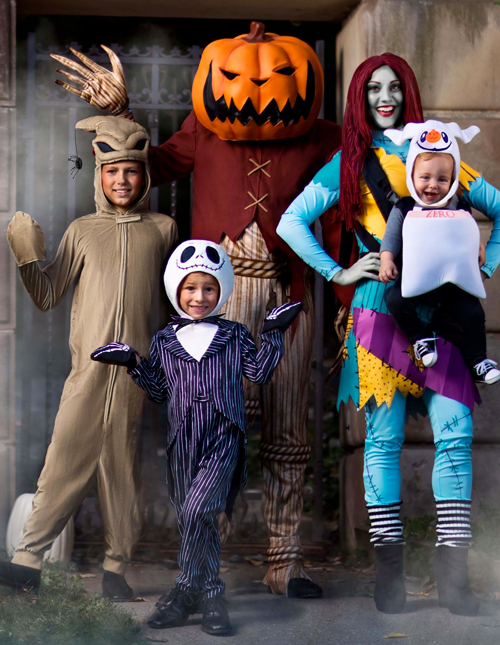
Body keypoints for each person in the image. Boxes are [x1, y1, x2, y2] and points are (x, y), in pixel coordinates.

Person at [51, 26, 343, 597]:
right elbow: (146, 167)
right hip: (215, 304)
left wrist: (347, 300)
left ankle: (284, 560)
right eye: (235, 77)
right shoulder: (203, 130)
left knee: (287, 433)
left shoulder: (323, 139)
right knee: (214, 428)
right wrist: (123, 114)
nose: (256, 88)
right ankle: (206, 560)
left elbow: (354, 195)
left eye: (279, 77)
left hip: (289, 298)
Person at [277, 54, 500, 616]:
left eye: (394, 87)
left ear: (408, 93)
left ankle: (453, 581)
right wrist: (340, 271)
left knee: (455, 432)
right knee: (382, 442)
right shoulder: (347, 163)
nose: (385, 97)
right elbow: (290, 221)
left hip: (447, 314)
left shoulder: (436, 148)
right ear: (359, 96)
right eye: (373, 88)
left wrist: (486, 266)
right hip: (379, 313)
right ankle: (390, 581)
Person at [0, 115, 178, 600]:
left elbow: (175, 301)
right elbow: (46, 294)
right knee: (63, 459)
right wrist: (26, 257)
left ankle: (117, 568)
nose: (122, 180)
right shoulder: (81, 231)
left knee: (122, 467)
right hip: (88, 372)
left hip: (136, 373)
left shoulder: (163, 229)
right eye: (112, 171)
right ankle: (27, 560)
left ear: (144, 176)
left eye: (132, 171)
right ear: (99, 176)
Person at [91, 239, 302, 635]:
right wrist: (132, 362)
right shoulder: (164, 341)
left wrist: (273, 332)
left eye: (208, 288)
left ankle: (194, 589)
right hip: (182, 440)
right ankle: (205, 596)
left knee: (197, 510)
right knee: (194, 518)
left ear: (222, 288)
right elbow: (157, 390)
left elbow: (257, 372)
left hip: (223, 434)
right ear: (176, 288)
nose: (199, 297)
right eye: (190, 288)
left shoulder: (235, 334)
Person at [379, 119, 500, 384]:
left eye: (442, 179)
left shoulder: (460, 206)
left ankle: (478, 360)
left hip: (453, 282)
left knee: (473, 313)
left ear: (453, 180)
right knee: (395, 301)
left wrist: (478, 246)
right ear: (411, 174)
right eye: (425, 177)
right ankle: (420, 339)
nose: (433, 185)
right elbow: (391, 238)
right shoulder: (404, 208)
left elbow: (467, 231)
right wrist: (386, 259)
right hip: (414, 280)